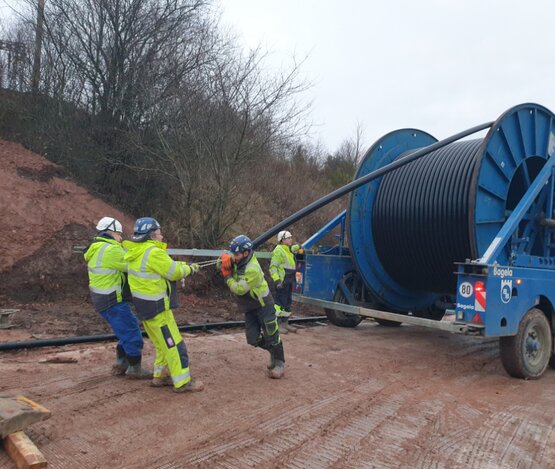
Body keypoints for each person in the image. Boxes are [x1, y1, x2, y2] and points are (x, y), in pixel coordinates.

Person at [123, 217, 204, 393]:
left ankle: (160, 377)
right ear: (152, 236)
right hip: (158, 309)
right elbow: (173, 272)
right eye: (159, 233)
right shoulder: (154, 253)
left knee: (161, 345)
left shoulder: (135, 252)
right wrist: (190, 269)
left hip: (145, 309)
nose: (162, 236)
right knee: (174, 344)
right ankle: (183, 382)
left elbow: (165, 267)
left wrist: (183, 265)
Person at [84, 217, 151, 379]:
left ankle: (121, 364)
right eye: (119, 235)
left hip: (103, 298)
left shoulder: (98, 248)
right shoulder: (111, 250)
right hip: (112, 299)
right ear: (111, 232)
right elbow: (133, 265)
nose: (121, 238)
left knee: (125, 329)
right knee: (132, 330)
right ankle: (134, 368)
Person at [220, 235, 285, 379]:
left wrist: (227, 276)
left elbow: (238, 289)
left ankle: (279, 362)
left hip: (263, 304)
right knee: (252, 339)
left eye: (235, 254)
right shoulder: (239, 259)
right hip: (250, 306)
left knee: (272, 334)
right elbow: (227, 262)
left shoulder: (252, 269)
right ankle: (272, 351)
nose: (233, 256)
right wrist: (223, 260)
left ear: (246, 253)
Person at [270, 230, 302, 334]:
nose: (290, 239)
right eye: (288, 238)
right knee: (280, 304)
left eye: (290, 238)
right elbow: (273, 267)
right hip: (282, 282)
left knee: (287, 302)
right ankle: (277, 324)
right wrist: (277, 281)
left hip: (289, 280)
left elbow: (294, 248)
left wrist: (300, 246)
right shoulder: (278, 251)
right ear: (282, 240)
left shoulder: (288, 249)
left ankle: (285, 323)